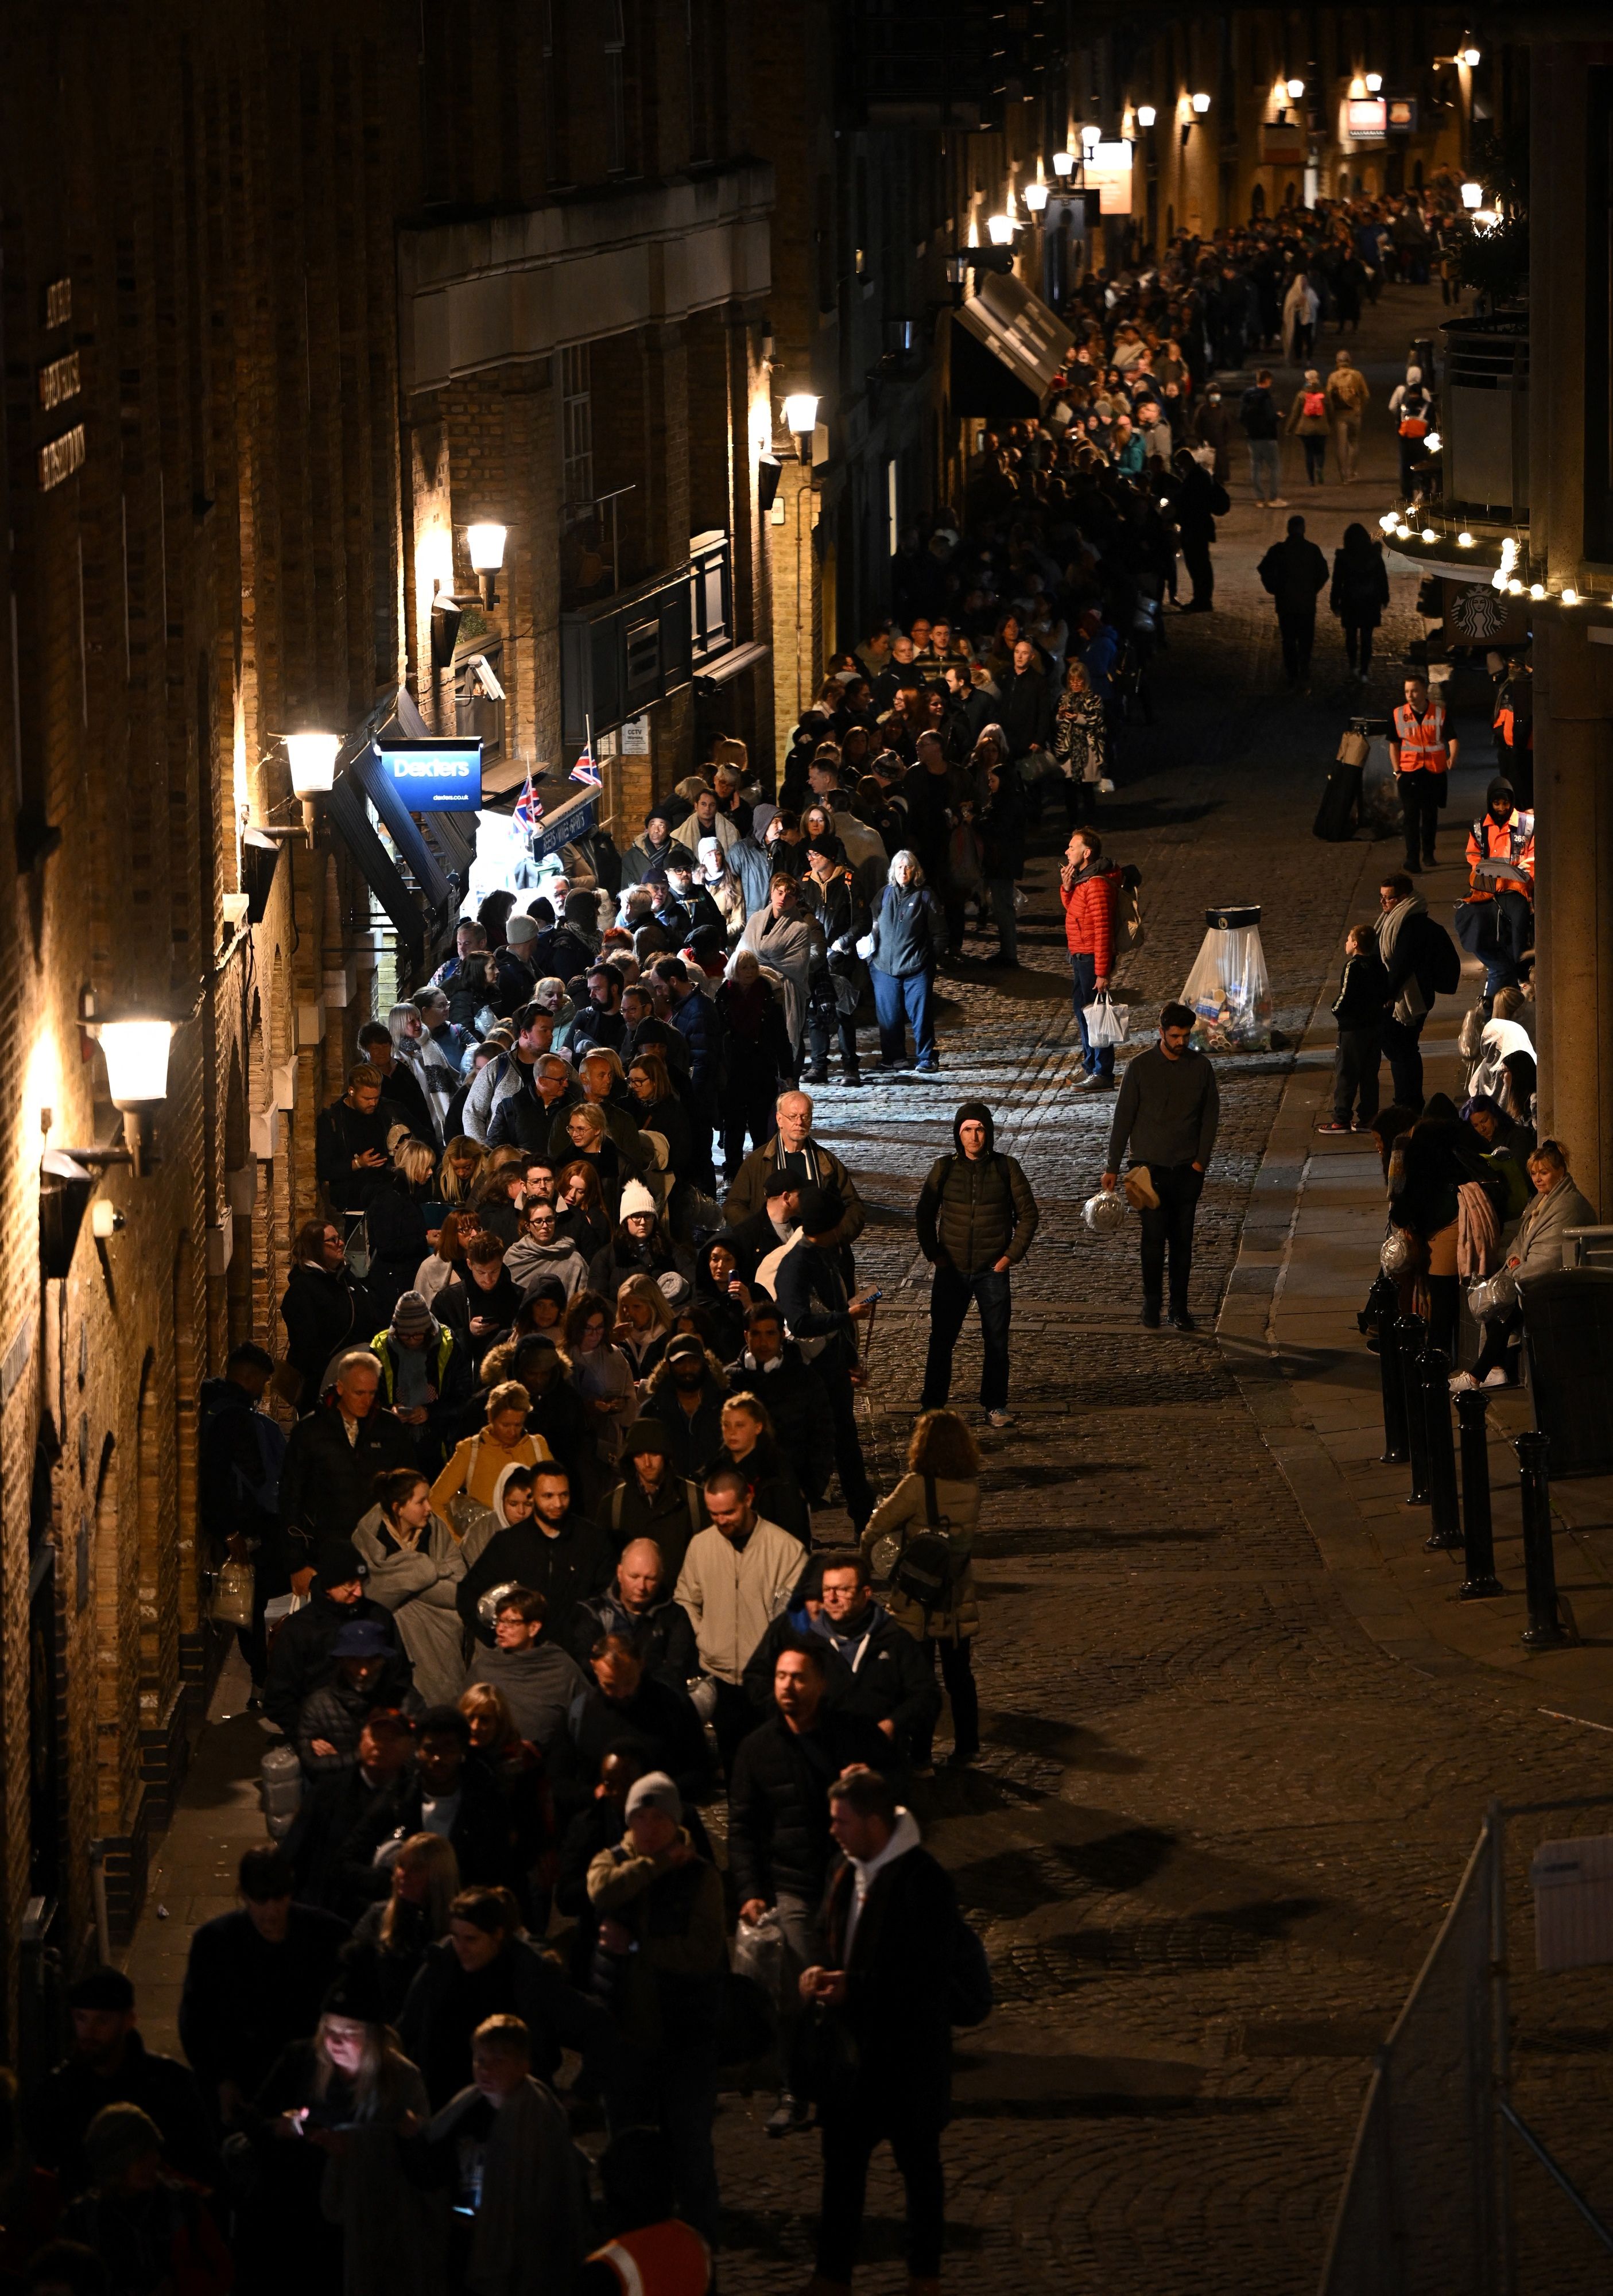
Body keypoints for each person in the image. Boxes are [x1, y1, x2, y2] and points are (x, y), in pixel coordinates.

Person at [797, 1770, 960, 2296]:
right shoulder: (843, 1872)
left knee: (920, 2174)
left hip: (909, 2061)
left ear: (873, 1822)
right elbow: (827, 1936)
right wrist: (818, 1971)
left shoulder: (924, 1882)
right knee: (841, 2174)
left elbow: (925, 1976)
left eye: (841, 1822)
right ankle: (832, 2276)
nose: (833, 1832)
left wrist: (857, 1989)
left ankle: (924, 2279)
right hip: (852, 2064)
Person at [726, 1643, 891, 2140]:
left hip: (852, 1884)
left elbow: (898, 1785)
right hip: (794, 1886)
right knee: (801, 1988)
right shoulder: (757, 1748)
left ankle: (858, 2079)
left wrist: (872, 1783)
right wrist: (750, 1889)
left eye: (798, 1678)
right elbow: (743, 1827)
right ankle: (795, 2089)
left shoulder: (852, 1736)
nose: (787, 1688)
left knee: (855, 1983)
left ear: (820, 1683)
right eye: (780, 1677)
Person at [584, 1775, 726, 2246]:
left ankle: (699, 2249)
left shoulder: (701, 1876)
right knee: (625, 2151)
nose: (648, 1827)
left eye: (659, 1817)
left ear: (676, 1820)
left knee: (690, 2153)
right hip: (624, 2036)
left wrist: (640, 1948)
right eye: (640, 1817)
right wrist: (658, 1864)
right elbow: (604, 1892)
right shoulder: (611, 1863)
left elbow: (703, 1951)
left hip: (684, 2036)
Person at [242, 1963, 440, 2296]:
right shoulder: (300, 2060)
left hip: (367, 2219)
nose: (334, 2041)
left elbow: (423, 2167)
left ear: (373, 2036)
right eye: (329, 2030)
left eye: (349, 2033)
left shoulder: (402, 2079)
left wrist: (374, 2143)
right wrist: (286, 2128)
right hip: (300, 2214)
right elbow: (253, 2122)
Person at [398, 1886, 617, 2112]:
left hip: (511, 2111)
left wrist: (580, 2094)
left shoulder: (529, 1976)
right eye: (455, 1937)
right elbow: (408, 2027)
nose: (461, 1948)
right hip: (444, 2104)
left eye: (471, 1939)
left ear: (498, 1935)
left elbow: (598, 2026)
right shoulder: (441, 1965)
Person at [176, 1847, 348, 2128]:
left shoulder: (329, 1936)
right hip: (246, 2082)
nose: (272, 1911)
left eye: (279, 1898)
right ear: (244, 1896)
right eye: (261, 1900)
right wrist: (221, 2080)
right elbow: (196, 2021)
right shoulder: (215, 1944)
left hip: (312, 2080)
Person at [423, 2014, 590, 2296]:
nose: (485, 2070)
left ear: (523, 2066)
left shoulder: (540, 2119)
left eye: (498, 2061)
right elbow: (437, 2157)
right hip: (465, 2241)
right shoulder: (466, 2106)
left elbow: (552, 2197)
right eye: (480, 2060)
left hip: (517, 2254)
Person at [862, 1407, 982, 1775]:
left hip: (916, 1598)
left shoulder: (916, 1486)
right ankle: (967, 1747)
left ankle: (921, 1756)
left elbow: (875, 1528)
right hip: (956, 1596)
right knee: (959, 1675)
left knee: (919, 1680)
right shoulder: (971, 1488)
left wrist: (876, 1561)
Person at [27, 1969, 216, 2197]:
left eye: (102, 2020)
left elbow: (200, 2165)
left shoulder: (170, 2084)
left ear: (129, 2021)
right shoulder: (57, 2092)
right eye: (81, 2018)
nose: (89, 2032)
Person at [914, 1100, 1038, 1428]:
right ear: (958, 1133)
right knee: (942, 1340)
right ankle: (932, 1405)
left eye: (980, 1129)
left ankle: (995, 1405)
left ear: (989, 1133)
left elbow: (1028, 1215)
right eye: (967, 1129)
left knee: (996, 1341)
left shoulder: (1006, 1167)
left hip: (991, 1272)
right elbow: (924, 1215)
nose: (974, 1136)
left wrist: (1010, 1256)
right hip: (951, 1270)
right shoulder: (944, 1168)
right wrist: (935, 1255)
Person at [673, 1467, 804, 1777]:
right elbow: (685, 1599)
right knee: (735, 1767)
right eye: (713, 1514)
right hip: (720, 1677)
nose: (721, 1521)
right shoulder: (702, 1546)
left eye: (728, 1512)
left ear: (749, 1499)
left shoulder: (785, 1550)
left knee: (775, 1767)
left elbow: (798, 1616)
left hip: (767, 1680)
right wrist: (705, 1634)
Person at [1102, 1002, 1220, 1332]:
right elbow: (1123, 1118)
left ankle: (1179, 1309)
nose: (1181, 1042)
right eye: (1175, 1036)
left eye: (1185, 1036)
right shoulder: (1140, 1068)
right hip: (1148, 1171)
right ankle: (1151, 1305)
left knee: (1182, 1242)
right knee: (1153, 1241)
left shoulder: (1200, 1068)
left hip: (1186, 1171)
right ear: (1161, 1033)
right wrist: (1112, 1165)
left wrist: (1200, 1162)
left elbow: (1210, 1116)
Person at [1454, 1139, 1598, 1391]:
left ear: (1561, 1171)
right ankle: (1495, 1371)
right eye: (1533, 1173)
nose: (1538, 1179)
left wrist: (1516, 1273)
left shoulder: (1568, 1205)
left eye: (1544, 1172)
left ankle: (1478, 1376)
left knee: (1503, 1310)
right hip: (1529, 1274)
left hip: (1555, 1283)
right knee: (1497, 1305)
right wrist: (1514, 1260)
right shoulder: (1541, 1201)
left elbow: (1550, 1256)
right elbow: (1520, 1240)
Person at [772, 1187, 877, 1527]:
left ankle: (863, 1517)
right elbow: (799, 1322)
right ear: (828, 1224)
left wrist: (849, 1358)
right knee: (811, 1447)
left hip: (832, 1366)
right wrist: (847, 1317)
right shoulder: (797, 1264)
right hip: (808, 1371)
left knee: (847, 1441)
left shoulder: (830, 1254)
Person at [343, 1707, 517, 1901]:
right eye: (430, 1749)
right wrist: (399, 1883)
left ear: (463, 1752)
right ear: (417, 1751)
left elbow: (500, 1872)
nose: (438, 1759)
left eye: (448, 1749)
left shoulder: (486, 1801)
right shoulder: (400, 1796)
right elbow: (348, 1860)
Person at [61, 2104, 233, 2296]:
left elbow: (221, 2272)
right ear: (115, 2164)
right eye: (140, 2157)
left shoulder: (181, 2204)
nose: (153, 2161)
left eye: (152, 2151)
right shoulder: (83, 2219)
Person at [261, 1537, 413, 1740]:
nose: (359, 1592)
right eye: (350, 1584)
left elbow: (400, 1677)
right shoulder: (300, 1629)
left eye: (362, 1583)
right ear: (329, 1586)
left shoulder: (379, 1617)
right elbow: (278, 1699)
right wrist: (309, 1734)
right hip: (319, 1737)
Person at [458, 1463, 615, 1655]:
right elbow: (467, 1594)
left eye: (563, 1495)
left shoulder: (592, 1540)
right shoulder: (508, 1544)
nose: (558, 1504)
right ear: (533, 1496)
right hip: (520, 1665)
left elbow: (609, 1598)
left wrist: (587, 1639)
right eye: (548, 1496)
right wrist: (497, 1639)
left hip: (576, 1663)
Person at [352, 1469, 469, 1709]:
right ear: (399, 1508)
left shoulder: (437, 1531)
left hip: (441, 1643)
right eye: (421, 1501)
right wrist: (429, 1570)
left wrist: (402, 1584)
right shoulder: (368, 1538)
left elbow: (459, 1590)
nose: (429, 1507)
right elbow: (374, 1596)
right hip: (390, 1647)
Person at [724, 1091, 866, 1257]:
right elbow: (733, 1205)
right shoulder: (758, 1162)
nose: (799, 1122)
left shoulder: (826, 1162)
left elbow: (853, 1205)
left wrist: (835, 1235)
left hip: (820, 1251)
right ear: (779, 1120)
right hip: (771, 1252)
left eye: (805, 1116)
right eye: (793, 1117)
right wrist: (760, 1233)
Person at [345, 1834, 462, 2024]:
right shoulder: (379, 1916)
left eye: (416, 1869)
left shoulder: (457, 1926)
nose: (403, 1874)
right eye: (401, 1865)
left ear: (439, 1877)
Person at [463, 1586, 588, 1756]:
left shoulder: (561, 1668)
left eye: (511, 1622)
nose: (500, 1629)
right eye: (500, 1621)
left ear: (534, 1628)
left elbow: (586, 1717)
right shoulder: (485, 1667)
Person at [569, 1538, 699, 1690]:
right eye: (634, 1577)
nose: (641, 1586)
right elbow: (585, 1665)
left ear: (661, 1577)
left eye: (650, 1579)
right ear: (619, 1573)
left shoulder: (675, 1616)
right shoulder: (594, 1613)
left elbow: (676, 1668)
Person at [367, 1292, 472, 1475]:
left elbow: (463, 1397)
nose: (411, 1341)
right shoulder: (381, 1347)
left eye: (417, 1336)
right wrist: (390, 1410)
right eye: (405, 1337)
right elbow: (369, 1397)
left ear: (429, 1331)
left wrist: (429, 1412)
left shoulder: (449, 1346)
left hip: (439, 1445)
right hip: (393, 1448)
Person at [860, 850, 944, 1075]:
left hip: (917, 969)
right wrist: (871, 958)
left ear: (915, 871)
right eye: (899, 867)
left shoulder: (925, 896)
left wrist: (928, 961)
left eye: (908, 867)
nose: (903, 872)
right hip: (884, 968)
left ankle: (926, 1057)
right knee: (889, 1017)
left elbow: (940, 934)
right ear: (893, 871)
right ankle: (893, 1058)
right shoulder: (884, 894)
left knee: (921, 1015)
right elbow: (869, 922)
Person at [1374, 871, 1451, 1110]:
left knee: (1401, 1051)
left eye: (1388, 898)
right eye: (1381, 897)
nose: (1383, 903)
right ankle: (1409, 1101)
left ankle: (1408, 1102)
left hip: (1408, 998)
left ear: (1404, 897)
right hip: (1404, 997)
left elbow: (1401, 965)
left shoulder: (1411, 924)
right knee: (1403, 1050)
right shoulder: (1397, 919)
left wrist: (1386, 995)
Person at [597, 1425, 705, 1582]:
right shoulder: (612, 1505)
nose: (647, 1463)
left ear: (666, 1456)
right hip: (631, 1602)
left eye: (654, 1454)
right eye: (640, 1455)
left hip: (682, 1601)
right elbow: (602, 1565)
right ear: (631, 1458)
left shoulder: (695, 1500)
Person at [1460, 777, 1535, 1003]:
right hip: (1487, 889)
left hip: (1516, 888)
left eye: (1505, 803)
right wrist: (1483, 869)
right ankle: (1505, 967)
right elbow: (1473, 855)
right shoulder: (1479, 826)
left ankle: (1521, 971)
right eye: (1497, 804)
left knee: (1520, 923)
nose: (1501, 808)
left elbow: (1532, 855)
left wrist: (1520, 871)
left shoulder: (1527, 824)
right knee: (1471, 920)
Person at [1059, 827, 1123, 1089]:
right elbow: (1076, 911)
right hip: (1080, 956)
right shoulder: (1085, 878)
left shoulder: (1096, 884)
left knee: (1097, 1016)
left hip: (1090, 958)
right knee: (1084, 1013)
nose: (1067, 851)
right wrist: (1066, 887)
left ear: (1086, 853)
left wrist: (1102, 972)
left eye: (1072, 847)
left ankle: (1102, 1072)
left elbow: (1102, 929)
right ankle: (1090, 1065)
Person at [1318, 924, 1389, 1136]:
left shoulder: (1354, 965)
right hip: (1374, 1026)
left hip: (1352, 1029)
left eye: (1349, 940)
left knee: (1347, 1073)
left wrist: (1336, 1010)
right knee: (1369, 1074)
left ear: (1356, 944)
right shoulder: (1378, 964)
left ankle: (1341, 1119)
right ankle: (1368, 1117)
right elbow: (1385, 991)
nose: (1346, 943)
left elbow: (1345, 995)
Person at [1389, 672, 1457, 874]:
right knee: (1410, 817)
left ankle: (1428, 853)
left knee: (1429, 815)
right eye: (1407, 691)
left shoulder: (1439, 713)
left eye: (1414, 690)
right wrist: (1397, 772)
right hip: (1409, 772)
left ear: (1424, 691)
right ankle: (1412, 858)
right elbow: (1393, 744)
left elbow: (1452, 737)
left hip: (1433, 772)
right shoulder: (1398, 714)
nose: (1410, 695)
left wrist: (1452, 757)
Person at [1257, 515, 1328, 686]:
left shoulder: (1279, 550)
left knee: (1288, 639)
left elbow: (1263, 569)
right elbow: (1324, 573)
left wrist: (1274, 589)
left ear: (1289, 529)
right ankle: (1304, 668)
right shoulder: (1312, 550)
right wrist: (1313, 590)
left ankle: (1292, 672)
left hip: (1285, 603)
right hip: (1306, 605)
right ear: (1303, 529)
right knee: (1306, 639)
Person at [1328, 522, 1390, 681]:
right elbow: (1382, 578)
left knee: (1351, 635)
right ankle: (1364, 671)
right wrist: (1384, 597)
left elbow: (1337, 582)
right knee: (1367, 637)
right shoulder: (1374, 556)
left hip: (1351, 600)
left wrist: (1335, 603)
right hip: (1370, 601)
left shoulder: (1343, 558)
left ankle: (1353, 666)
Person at [1238, 369, 1284, 507]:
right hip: (1268, 437)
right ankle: (1273, 498)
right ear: (1268, 380)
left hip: (1252, 437)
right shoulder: (1265, 396)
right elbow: (1270, 417)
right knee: (1275, 467)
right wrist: (1278, 416)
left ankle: (1260, 499)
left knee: (1256, 467)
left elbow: (1241, 417)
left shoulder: (1247, 395)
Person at [1325, 347, 1370, 483]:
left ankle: (1343, 474)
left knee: (1341, 444)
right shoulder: (1357, 375)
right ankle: (1351, 472)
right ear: (1350, 361)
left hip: (1340, 414)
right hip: (1355, 412)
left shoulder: (1333, 377)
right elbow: (1366, 395)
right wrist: (1360, 407)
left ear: (1337, 362)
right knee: (1354, 442)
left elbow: (1328, 397)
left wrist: (1332, 412)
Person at [1284, 366, 1328, 486]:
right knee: (1320, 451)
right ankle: (1320, 468)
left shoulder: (1301, 395)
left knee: (1309, 453)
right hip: (1321, 429)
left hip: (1305, 430)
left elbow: (1295, 413)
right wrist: (1330, 424)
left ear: (1306, 380)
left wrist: (1289, 428)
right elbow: (1331, 410)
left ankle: (1311, 480)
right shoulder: (1324, 393)